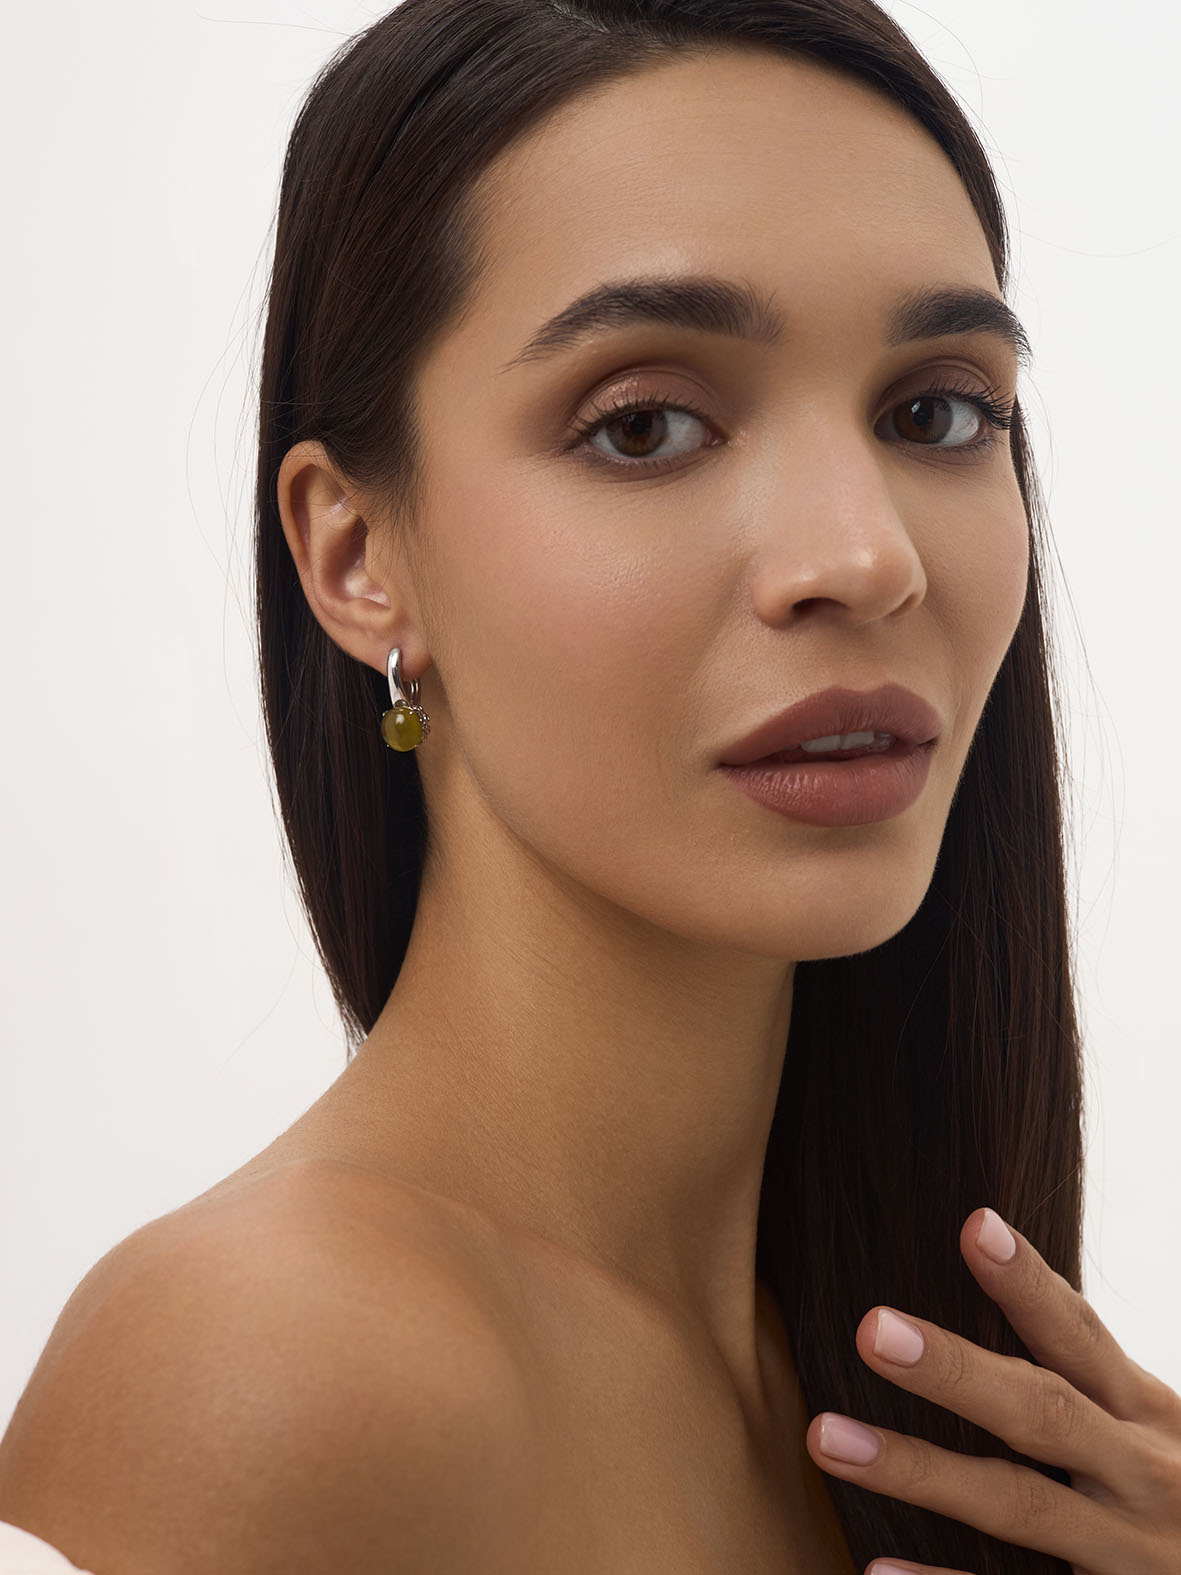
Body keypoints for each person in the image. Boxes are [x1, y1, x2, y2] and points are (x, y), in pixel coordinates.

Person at [1, 1, 1178, 1570]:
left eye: (935, 413)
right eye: (645, 426)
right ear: (355, 556)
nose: (865, 555)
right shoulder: (268, 1370)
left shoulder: (905, 1368)